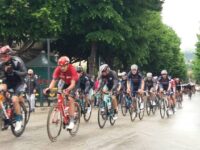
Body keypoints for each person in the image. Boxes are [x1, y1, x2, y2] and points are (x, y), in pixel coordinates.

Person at [43, 56, 79, 129]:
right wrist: (49, 88)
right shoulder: (58, 69)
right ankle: (64, 110)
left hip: (73, 83)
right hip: (64, 81)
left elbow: (72, 84)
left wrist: (67, 90)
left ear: (68, 65)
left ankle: (72, 120)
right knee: (59, 95)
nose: (62, 68)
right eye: (60, 66)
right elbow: (54, 81)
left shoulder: (72, 69)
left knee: (70, 98)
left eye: (64, 66)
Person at [0, 45, 27, 131]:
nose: (2, 58)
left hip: (19, 82)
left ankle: (19, 120)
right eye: (1, 56)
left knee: (15, 99)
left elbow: (25, 73)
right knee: (1, 91)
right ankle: (5, 115)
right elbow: (2, 77)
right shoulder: (1, 64)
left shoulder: (17, 61)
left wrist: (14, 71)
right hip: (8, 82)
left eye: (4, 55)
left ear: (9, 54)